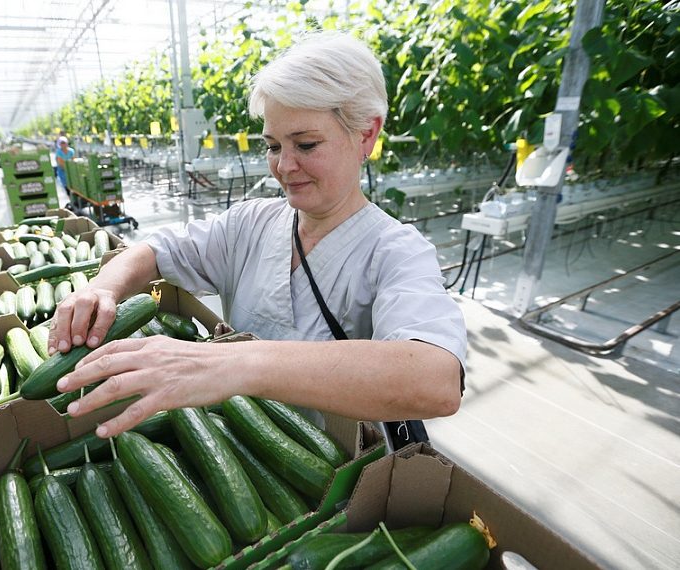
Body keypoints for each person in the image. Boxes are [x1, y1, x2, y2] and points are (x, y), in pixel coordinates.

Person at [49, 32, 467, 439]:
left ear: (366, 135)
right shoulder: (250, 224)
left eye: (305, 144)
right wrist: (102, 288)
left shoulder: (396, 251)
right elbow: (155, 251)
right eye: (272, 146)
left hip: (341, 476)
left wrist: (234, 365)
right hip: (243, 450)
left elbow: (436, 378)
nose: (284, 166)